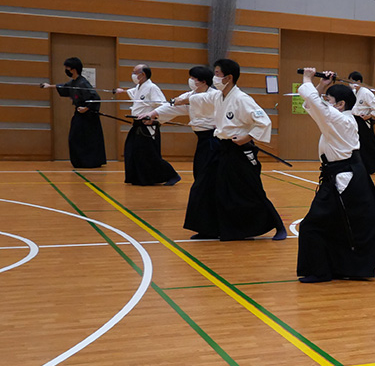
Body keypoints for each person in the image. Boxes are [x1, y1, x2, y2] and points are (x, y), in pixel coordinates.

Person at [295, 68, 375, 283]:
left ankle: (320, 271)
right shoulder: (339, 118)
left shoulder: (342, 121)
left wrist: (307, 78)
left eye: (328, 100)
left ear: (340, 105)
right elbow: (313, 106)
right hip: (346, 173)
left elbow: (316, 106)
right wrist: (322, 86)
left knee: (313, 224)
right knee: (368, 218)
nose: (325, 102)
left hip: (344, 177)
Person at [182, 58, 287, 241]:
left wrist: (247, 137)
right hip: (221, 148)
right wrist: (177, 101)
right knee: (206, 187)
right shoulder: (218, 96)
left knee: (250, 189)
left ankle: (278, 225)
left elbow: (264, 122)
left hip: (239, 149)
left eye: (217, 74)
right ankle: (210, 228)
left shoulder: (242, 99)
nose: (214, 78)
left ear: (228, 77)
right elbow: (198, 98)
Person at [148, 65, 220, 180]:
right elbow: (172, 107)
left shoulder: (215, 95)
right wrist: (153, 114)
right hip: (203, 139)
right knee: (200, 170)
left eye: (193, 78)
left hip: (215, 139)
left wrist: (183, 101)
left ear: (203, 82)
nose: (190, 80)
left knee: (208, 171)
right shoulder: (190, 95)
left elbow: (202, 99)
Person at [118, 64, 179, 186]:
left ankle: (172, 175)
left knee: (150, 154)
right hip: (137, 124)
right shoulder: (139, 87)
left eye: (135, 72)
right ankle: (137, 177)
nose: (133, 75)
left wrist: (154, 118)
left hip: (148, 125)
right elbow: (135, 94)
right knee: (132, 150)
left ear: (143, 74)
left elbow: (163, 105)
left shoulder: (152, 88)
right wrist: (122, 91)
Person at [41, 57, 105, 168]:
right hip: (79, 114)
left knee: (86, 139)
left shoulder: (83, 83)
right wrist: (49, 86)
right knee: (75, 138)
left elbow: (95, 98)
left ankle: (89, 162)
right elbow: (65, 87)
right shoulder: (74, 82)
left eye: (67, 68)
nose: (66, 70)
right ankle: (80, 161)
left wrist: (86, 108)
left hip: (88, 117)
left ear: (73, 69)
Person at [347, 71, 375, 174]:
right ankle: (366, 167)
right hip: (355, 120)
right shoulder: (354, 93)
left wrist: (369, 116)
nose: (350, 83)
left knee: (369, 145)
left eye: (352, 81)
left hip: (364, 121)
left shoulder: (366, 92)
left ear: (358, 81)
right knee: (359, 145)